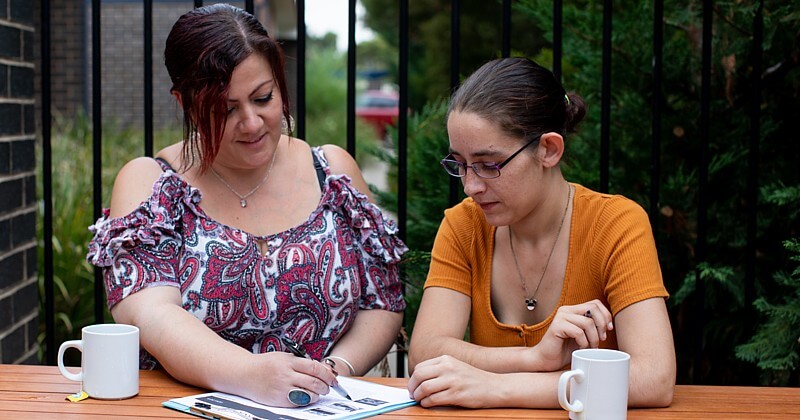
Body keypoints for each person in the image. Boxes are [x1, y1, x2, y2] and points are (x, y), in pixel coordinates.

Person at [86, 4, 406, 408]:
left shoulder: (334, 172)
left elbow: (382, 301)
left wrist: (330, 372)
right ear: (184, 103)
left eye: (263, 98)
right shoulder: (150, 183)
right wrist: (250, 375)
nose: (252, 123)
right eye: (225, 109)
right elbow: (151, 316)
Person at [406, 57, 675, 409]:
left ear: (548, 149)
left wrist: (496, 389)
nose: (470, 185)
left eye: (489, 165)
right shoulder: (463, 225)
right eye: (460, 164)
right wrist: (533, 359)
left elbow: (654, 378)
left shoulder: (616, 223)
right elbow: (425, 353)